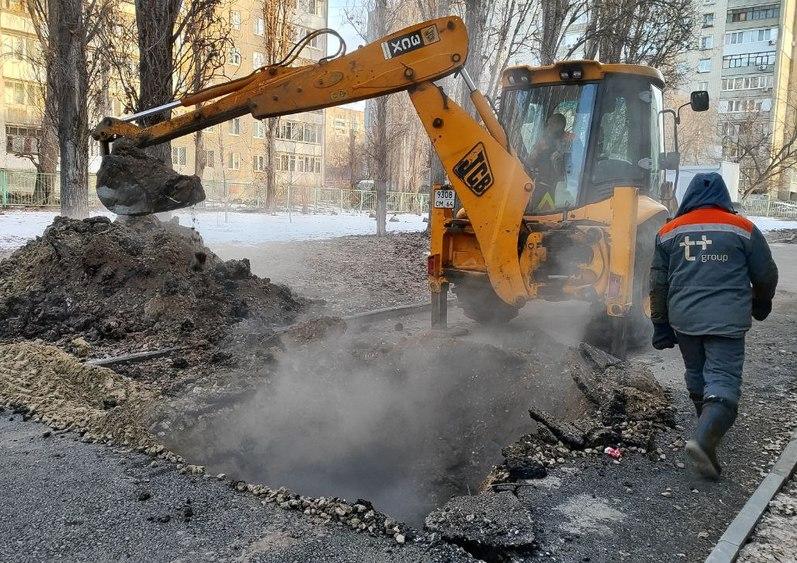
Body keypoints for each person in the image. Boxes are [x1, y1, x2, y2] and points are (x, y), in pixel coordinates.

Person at [649, 172, 778, 480]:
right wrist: (761, 302)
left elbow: (658, 284)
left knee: (696, 373)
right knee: (722, 378)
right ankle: (706, 436)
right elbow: (766, 274)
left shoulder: (668, 232)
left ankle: (705, 427)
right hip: (727, 319)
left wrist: (660, 325)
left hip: (685, 319)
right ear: (722, 196)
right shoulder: (744, 228)